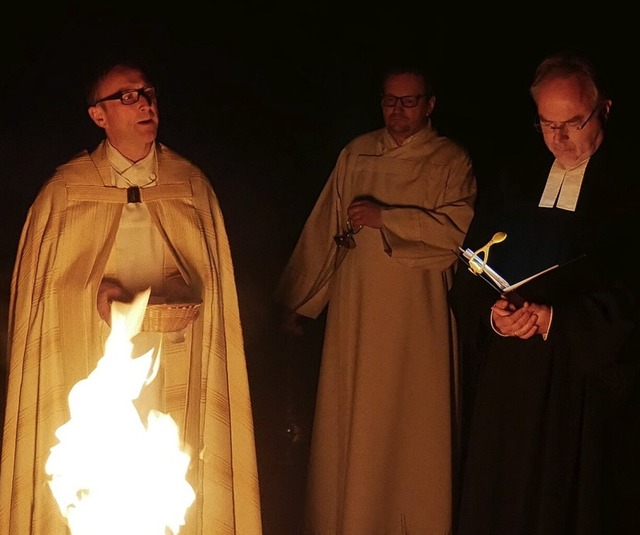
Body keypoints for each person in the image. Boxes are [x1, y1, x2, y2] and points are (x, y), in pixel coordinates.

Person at [0, 57, 263, 534]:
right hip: (89, 361)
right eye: (126, 96)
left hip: (177, 357)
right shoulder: (65, 192)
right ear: (98, 115)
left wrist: (187, 289)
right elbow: (42, 299)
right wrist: (93, 296)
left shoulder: (190, 186)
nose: (143, 103)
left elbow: (212, 280)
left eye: (147, 93)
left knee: (172, 472)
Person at [275, 62, 477, 534]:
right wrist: (300, 300)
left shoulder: (451, 161)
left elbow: (460, 234)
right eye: (390, 101)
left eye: (409, 101)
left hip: (417, 316)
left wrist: (389, 218)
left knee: (414, 424)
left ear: (429, 105)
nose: (398, 111)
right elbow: (327, 230)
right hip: (358, 313)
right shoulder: (358, 154)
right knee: (357, 421)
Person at [450, 50, 640, 534]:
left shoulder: (628, 188)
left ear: (606, 110)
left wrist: (559, 319)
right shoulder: (515, 178)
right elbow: (471, 266)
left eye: (574, 123)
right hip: (512, 379)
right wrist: (494, 315)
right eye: (547, 124)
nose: (559, 139)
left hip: (582, 384)